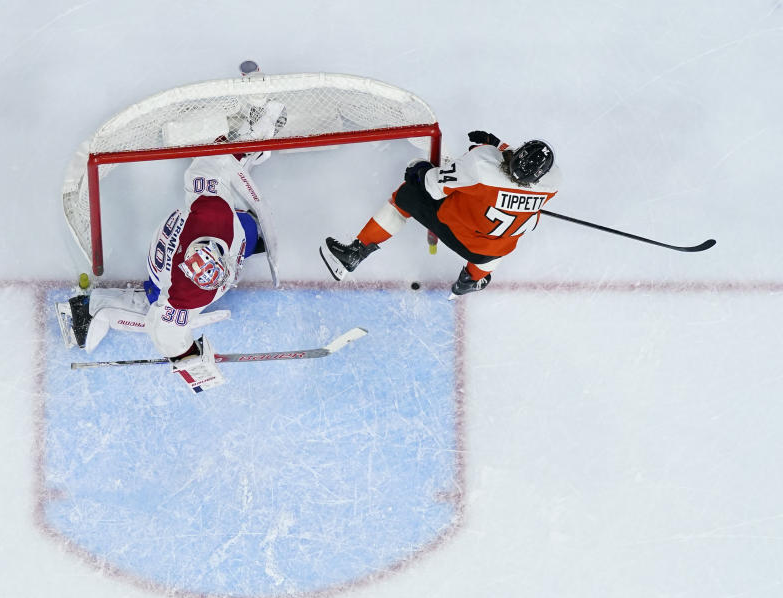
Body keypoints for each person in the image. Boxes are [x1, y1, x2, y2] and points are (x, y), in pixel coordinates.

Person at [64, 100, 287, 394]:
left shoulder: (210, 217)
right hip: (186, 258)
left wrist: (185, 355)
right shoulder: (190, 282)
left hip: (209, 246)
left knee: (216, 184)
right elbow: (166, 331)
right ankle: (94, 307)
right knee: (157, 299)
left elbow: (213, 163)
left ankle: (253, 144)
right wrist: (187, 359)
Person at [319, 131, 561, 297]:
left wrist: (419, 170)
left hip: (457, 228)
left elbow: (432, 187)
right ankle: (470, 281)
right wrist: (499, 145)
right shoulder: (552, 183)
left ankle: (355, 252)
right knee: (496, 245)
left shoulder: (481, 164)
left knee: (406, 196)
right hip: (490, 252)